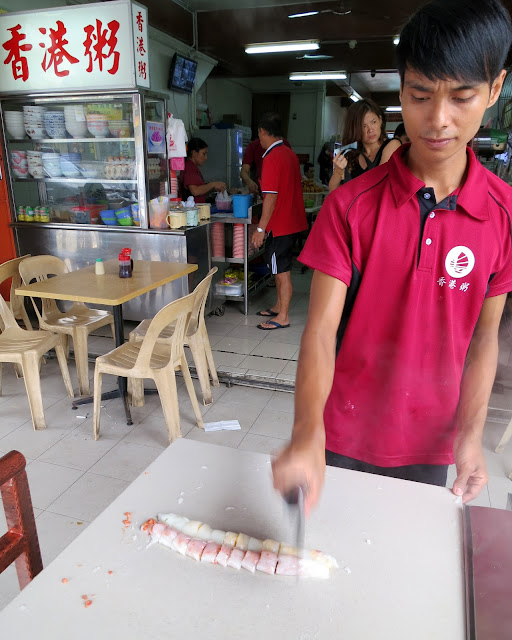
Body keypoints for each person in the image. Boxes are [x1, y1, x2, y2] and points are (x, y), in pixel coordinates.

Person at [272, 0, 512, 515]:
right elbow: (319, 329)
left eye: (462, 97)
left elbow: (484, 336)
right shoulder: (350, 205)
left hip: (430, 441)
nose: (438, 120)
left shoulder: (503, 214)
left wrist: (470, 435)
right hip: (340, 431)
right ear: (401, 88)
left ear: (494, 90)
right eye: (420, 95)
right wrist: (306, 431)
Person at [251, 113, 308, 330]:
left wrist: (260, 228)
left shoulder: (272, 157)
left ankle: (282, 316)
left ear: (263, 132)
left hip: (281, 225)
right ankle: (278, 306)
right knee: (278, 266)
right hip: (293, 222)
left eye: (259, 134)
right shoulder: (290, 154)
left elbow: (271, 196)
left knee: (281, 270)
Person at [328, 99, 401, 192]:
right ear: (355, 129)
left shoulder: (392, 145)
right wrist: (338, 171)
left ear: (380, 120)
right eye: (364, 126)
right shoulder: (352, 155)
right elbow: (333, 192)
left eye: (373, 122)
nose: (370, 129)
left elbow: (379, 185)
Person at [241, 128, 291, 194]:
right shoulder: (254, 145)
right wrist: (250, 182)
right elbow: (243, 171)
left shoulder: (284, 144)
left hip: (280, 189)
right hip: (261, 189)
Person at [179, 137, 226, 203]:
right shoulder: (189, 167)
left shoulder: (193, 167)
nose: (206, 158)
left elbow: (200, 190)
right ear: (194, 153)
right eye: (204, 154)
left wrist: (213, 188)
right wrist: (212, 184)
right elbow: (195, 191)